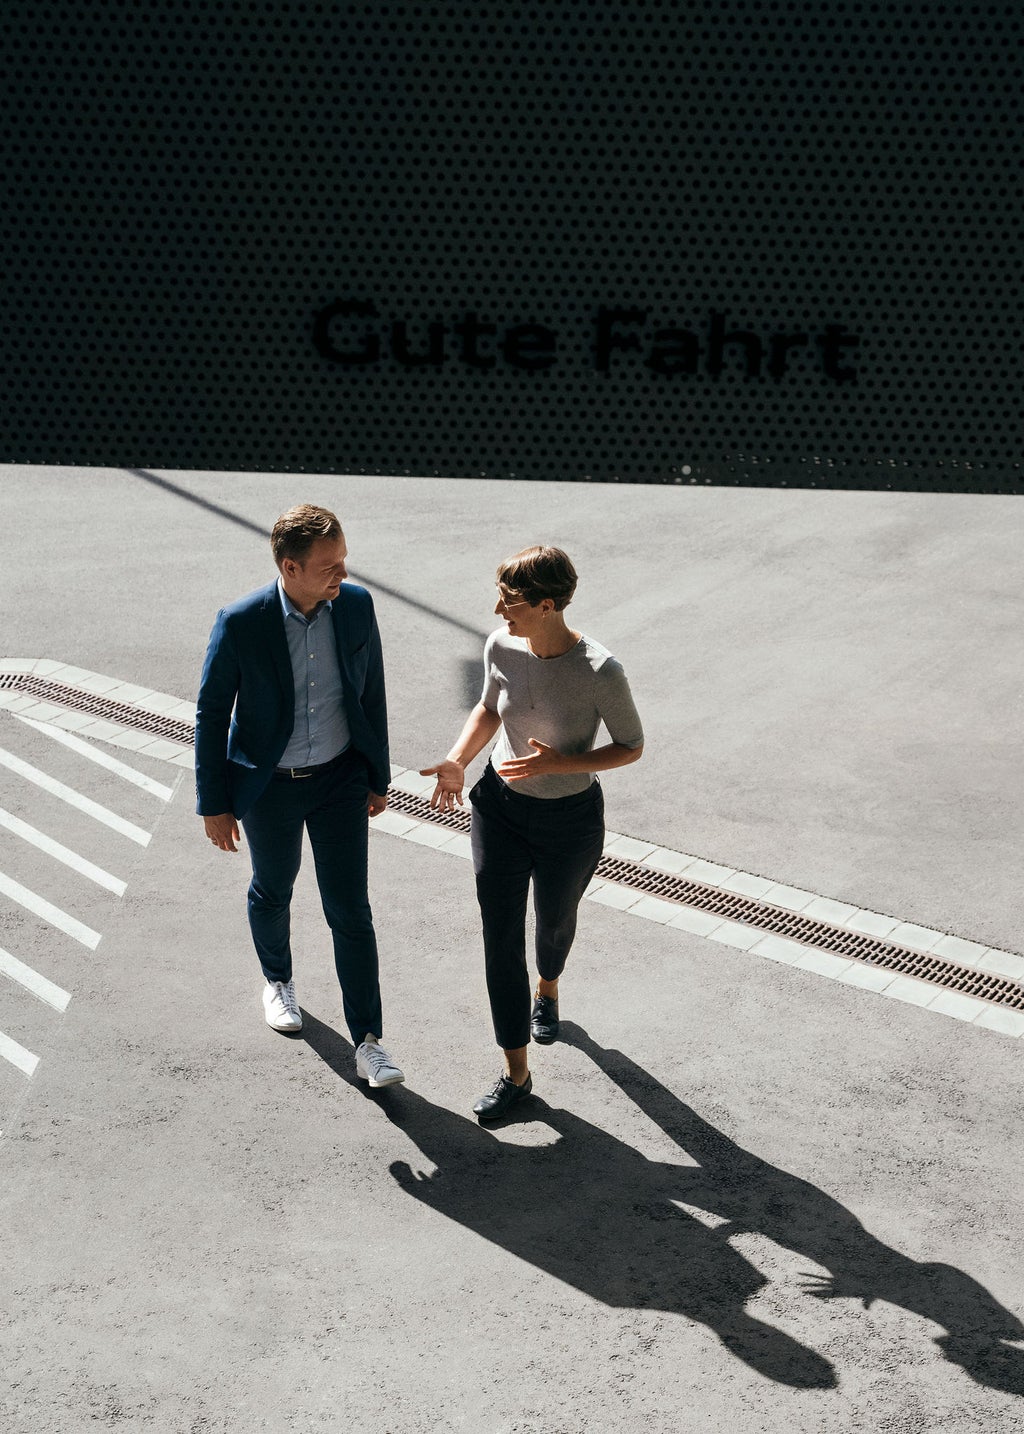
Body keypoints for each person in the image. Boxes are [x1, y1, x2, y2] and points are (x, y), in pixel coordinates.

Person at [421, 545, 643, 1120]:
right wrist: (458, 759)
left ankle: (548, 987)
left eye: (510, 601)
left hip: (569, 819)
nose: (499, 611)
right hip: (498, 808)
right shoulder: (501, 645)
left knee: (554, 922)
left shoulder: (600, 671)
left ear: (548, 605)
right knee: (500, 937)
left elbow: (631, 745)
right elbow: (489, 707)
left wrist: (561, 763)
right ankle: (516, 1073)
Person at [195, 503, 404, 1088]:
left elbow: (372, 693)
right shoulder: (241, 621)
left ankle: (369, 1042)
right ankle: (278, 980)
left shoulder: (356, 606)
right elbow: (212, 713)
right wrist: (215, 803)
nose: (344, 573)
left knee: (351, 909)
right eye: (329, 566)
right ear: (290, 567)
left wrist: (376, 776)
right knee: (273, 887)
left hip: (340, 780)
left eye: (344, 560)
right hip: (270, 787)